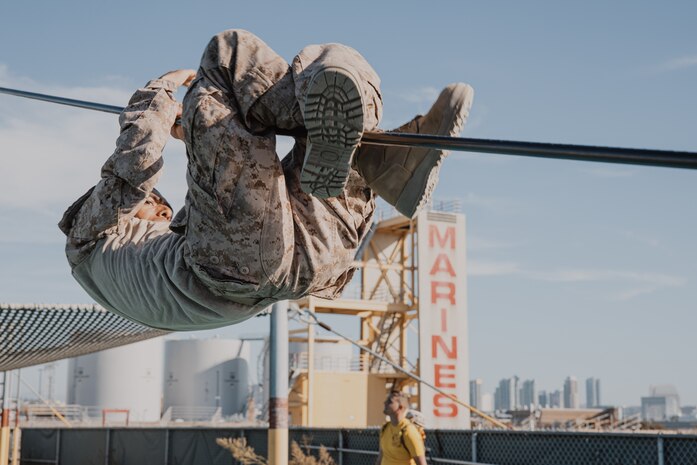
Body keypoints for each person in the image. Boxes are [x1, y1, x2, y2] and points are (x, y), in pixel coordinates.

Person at [58, 29, 474, 330]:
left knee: (337, 70)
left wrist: (200, 139)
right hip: (241, 260)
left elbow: (211, 196)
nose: (151, 205)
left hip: (307, 272)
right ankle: (333, 123)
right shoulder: (85, 235)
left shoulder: (122, 276)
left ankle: (382, 164)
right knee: (226, 55)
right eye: (152, 204)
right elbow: (131, 170)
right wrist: (159, 92)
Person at [377, 391, 427, 465]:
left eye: (389, 401)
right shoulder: (385, 428)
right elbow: (381, 457)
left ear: (400, 407)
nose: (385, 403)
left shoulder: (409, 431)